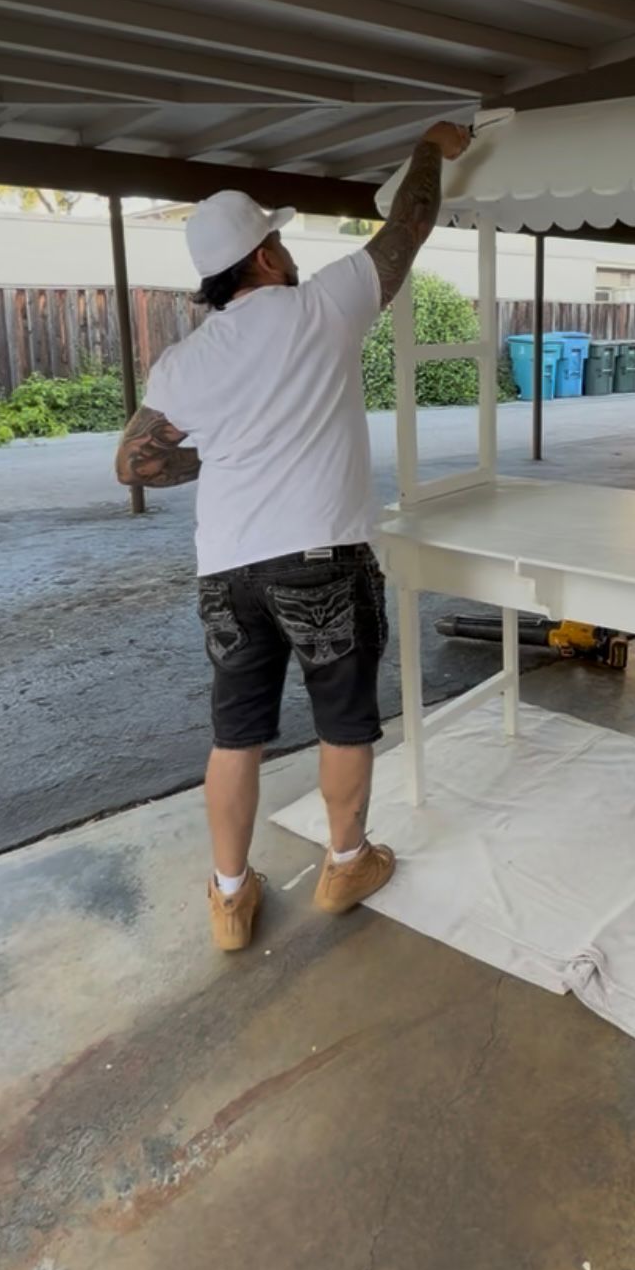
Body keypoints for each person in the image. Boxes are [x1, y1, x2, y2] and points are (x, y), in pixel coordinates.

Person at [115, 121, 471, 951]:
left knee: (234, 732)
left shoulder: (185, 363)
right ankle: (345, 863)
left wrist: (227, 456)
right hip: (322, 558)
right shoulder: (324, 303)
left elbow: (135, 463)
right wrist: (428, 147)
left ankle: (231, 897)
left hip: (227, 572)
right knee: (343, 720)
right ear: (266, 256)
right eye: (276, 237)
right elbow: (409, 223)